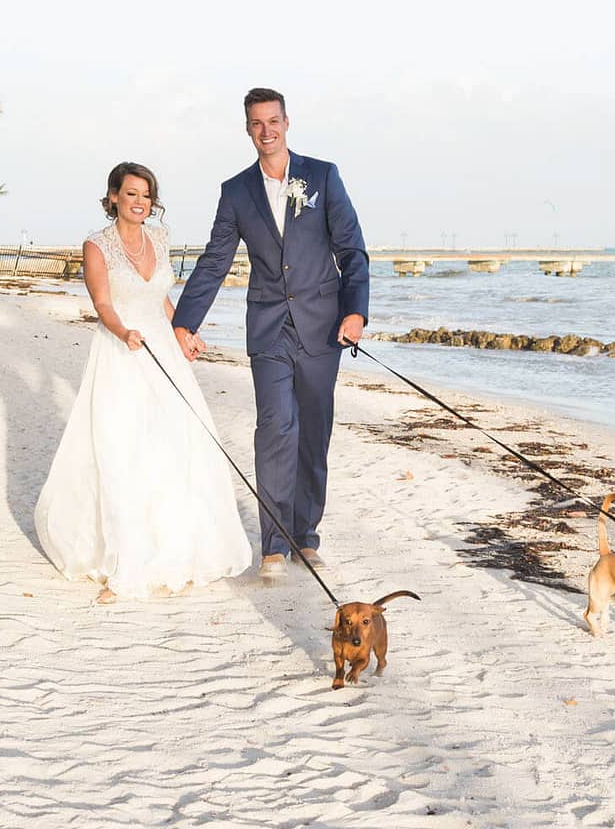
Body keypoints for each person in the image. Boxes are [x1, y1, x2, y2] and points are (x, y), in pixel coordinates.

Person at [172, 88, 370, 578]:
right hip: (267, 329)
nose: (267, 131)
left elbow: (351, 249)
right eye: (257, 123)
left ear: (287, 122)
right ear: (247, 129)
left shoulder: (323, 176)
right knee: (275, 426)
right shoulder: (236, 191)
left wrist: (356, 312)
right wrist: (184, 322)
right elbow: (215, 261)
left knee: (313, 434)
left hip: (324, 328)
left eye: (274, 121)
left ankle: (306, 536)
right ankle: (275, 544)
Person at [35, 163, 252, 603]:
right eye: (131, 194)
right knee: (123, 450)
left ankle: (175, 549)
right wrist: (123, 333)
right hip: (122, 351)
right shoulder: (97, 245)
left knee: (177, 445)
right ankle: (122, 560)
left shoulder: (160, 238)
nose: (139, 202)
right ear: (114, 196)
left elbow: (162, 298)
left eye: (146, 195)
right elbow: (102, 302)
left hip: (163, 350)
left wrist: (183, 332)